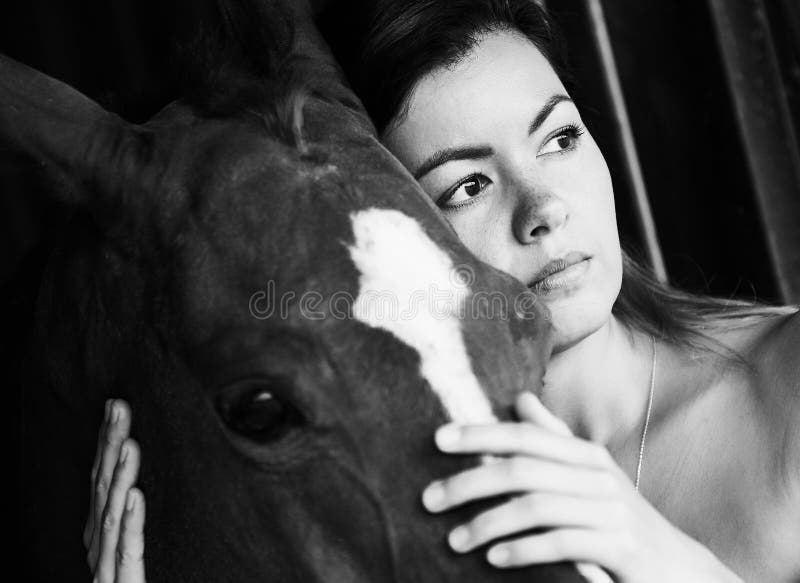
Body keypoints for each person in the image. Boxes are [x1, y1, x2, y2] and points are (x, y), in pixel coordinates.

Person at [83, 1, 800, 582]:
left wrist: (667, 560)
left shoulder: (788, 384)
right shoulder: (376, 516)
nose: (542, 206)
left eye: (559, 138)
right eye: (468, 186)